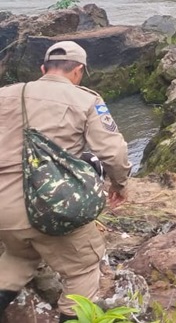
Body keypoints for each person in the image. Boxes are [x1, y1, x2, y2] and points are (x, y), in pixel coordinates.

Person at [0, 41, 131, 323]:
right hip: (50, 207)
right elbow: (113, 152)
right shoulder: (86, 99)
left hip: (3, 209)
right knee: (84, 266)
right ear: (79, 71)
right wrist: (119, 185)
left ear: (43, 68)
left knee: (18, 257)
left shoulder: (6, 94)